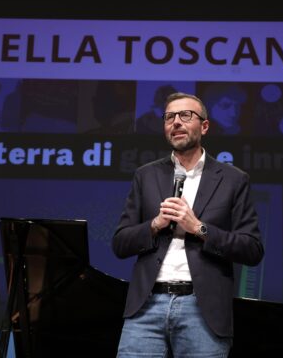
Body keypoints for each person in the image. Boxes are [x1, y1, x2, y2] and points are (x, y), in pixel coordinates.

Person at [112, 92, 264, 357]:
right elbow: (121, 243)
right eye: (169, 117)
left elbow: (252, 249)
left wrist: (199, 228)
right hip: (146, 308)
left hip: (202, 310)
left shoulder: (232, 179)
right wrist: (155, 224)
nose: (176, 122)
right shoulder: (146, 175)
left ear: (204, 126)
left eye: (185, 115)